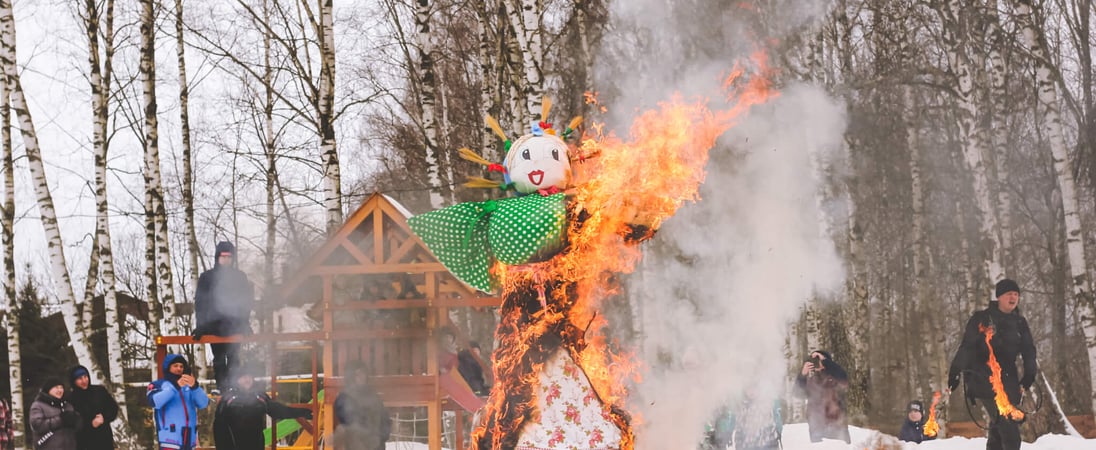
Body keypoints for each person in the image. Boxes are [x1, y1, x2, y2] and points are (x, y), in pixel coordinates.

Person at [948, 278, 1037, 450]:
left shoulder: (1020, 323)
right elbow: (967, 347)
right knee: (1010, 433)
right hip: (983, 379)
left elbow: (1029, 351)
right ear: (999, 297)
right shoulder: (982, 319)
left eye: (1016, 294)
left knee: (998, 431)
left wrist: (1029, 376)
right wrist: (955, 371)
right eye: (1009, 294)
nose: (1013, 297)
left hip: (1009, 380)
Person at [194, 240, 255, 392]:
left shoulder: (239, 277)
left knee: (234, 357)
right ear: (217, 257)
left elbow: (245, 302)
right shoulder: (207, 277)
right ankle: (223, 388)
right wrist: (201, 326)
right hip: (213, 325)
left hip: (234, 324)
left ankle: (235, 388)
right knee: (219, 358)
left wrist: (245, 324)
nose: (226, 260)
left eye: (229, 257)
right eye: (223, 257)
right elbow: (200, 303)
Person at [213, 364, 313, 450]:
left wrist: (302, 412)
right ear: (237, 380)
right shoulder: (228, 399)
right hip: (234, 446)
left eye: (249, 376)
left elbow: (278, 410)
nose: (247, 379)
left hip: (256, 445)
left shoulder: (260, 397)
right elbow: (218, 426)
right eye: (243, 377)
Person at [148, 354, 211, 450]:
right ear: (168, 367)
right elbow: (155, 402)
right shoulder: (158, 384)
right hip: (169, 440)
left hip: (190, 439)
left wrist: (195, 387)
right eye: (175, 366)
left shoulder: (189, 386)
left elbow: (204, 403)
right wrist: (176, 387)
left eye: (181, 366)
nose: (179, 369)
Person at [333, 361, 391, 450]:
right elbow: (348, 421)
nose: (362, 377)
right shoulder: (344, 397)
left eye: (363, 373)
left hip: (377, 444)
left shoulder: (373, 395)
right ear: (351, 376)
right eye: (357, 374)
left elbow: (385, 418)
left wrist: (382, 436)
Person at [796, 350, 850, 443]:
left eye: (818, 360)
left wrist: (825, 361)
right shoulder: (810, 380)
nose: (816, 363)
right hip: (816, 428)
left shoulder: (835, 377)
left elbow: (843, 378)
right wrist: (802, 375)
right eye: (814, 361)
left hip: (837, 427)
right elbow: (798, 394)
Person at [65, 365, 119, 450]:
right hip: (84, 441)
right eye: (80, 379)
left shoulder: (99, 391)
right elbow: (71, 421)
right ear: (74, 381)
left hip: (104, 439)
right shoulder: (70, 398)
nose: (84, 381)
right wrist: (90, 424)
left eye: (85, 377)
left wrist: (104, 417)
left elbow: (113, 408)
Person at [29, 377, 80, 450]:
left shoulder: (67, 405)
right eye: (56, 387)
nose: (59, 390)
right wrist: (61, 420)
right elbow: (37, 425)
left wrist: (77, 420)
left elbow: (76, 428)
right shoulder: (38, 405)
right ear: (48, 390)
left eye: (61, 387)